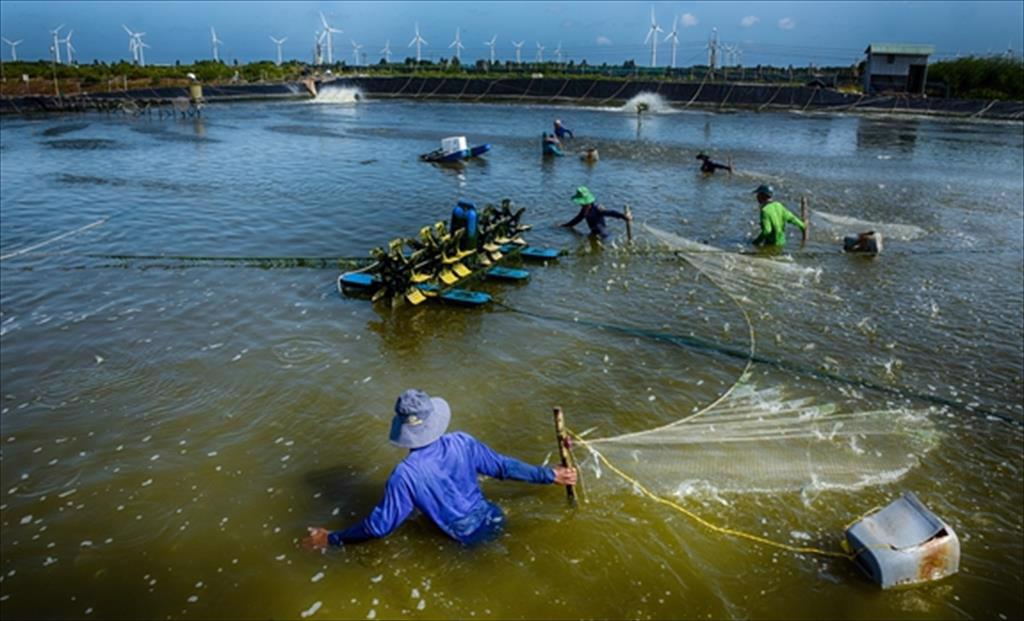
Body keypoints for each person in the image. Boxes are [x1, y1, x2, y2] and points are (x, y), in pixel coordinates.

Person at [303, 389, 577, 549]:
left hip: (464, 540)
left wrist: (332, 538)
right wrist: (550, 475)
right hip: (494, 517)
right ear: (434, 419)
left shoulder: (405, 475)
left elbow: (379, 527)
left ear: (403, 429)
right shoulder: (462, 442)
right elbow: (504, 467)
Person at [560, 186, 631, 239]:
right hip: (593, 233)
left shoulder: (598, 209)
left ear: (589, 202)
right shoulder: (584, 211)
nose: (582, 205)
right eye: (582, 204)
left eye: (584, 204)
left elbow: (611, 213)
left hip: (603, 235)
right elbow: (577, 219)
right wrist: (565, 226)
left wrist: (623, 216)